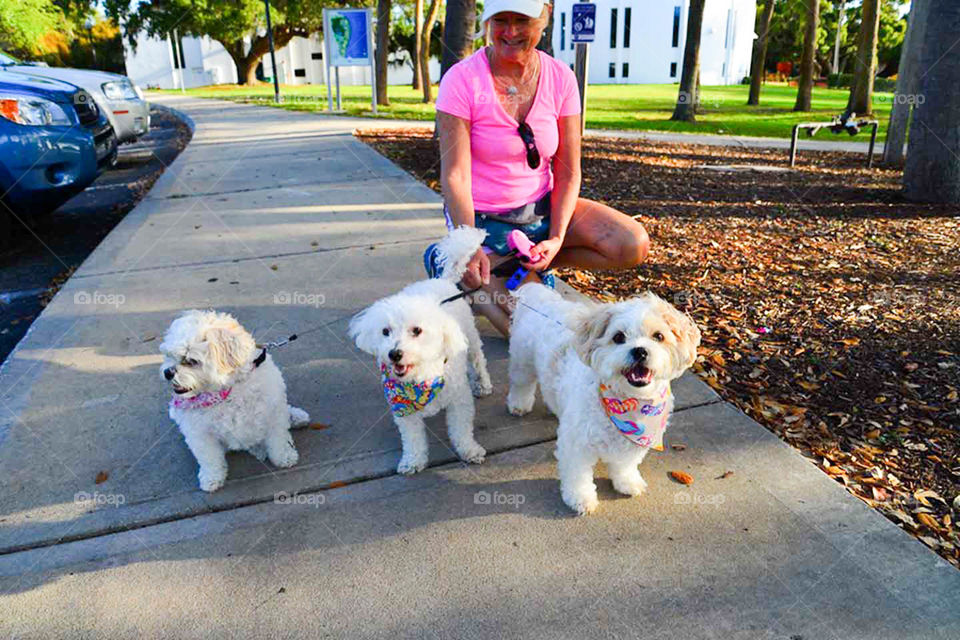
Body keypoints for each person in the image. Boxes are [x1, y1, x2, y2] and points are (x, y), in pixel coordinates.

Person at [429, 0, 649, 335]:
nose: (511, 31)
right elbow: (455, 175)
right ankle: (453, 261)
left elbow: (568, 171)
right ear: (488, 22)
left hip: (541, 210)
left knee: (632, 243)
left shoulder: (561, 77)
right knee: (528, 333)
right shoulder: (461, 80)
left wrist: (557, 238)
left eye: (522, 20)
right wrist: (468, 243)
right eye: (500, 20)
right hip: (484, 220)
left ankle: (518, 266)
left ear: (544, 17)